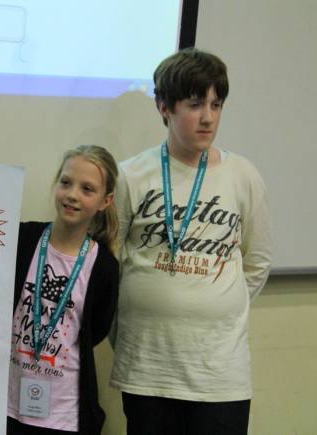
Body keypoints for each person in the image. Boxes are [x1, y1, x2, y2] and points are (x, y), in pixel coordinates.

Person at [110, 48, 272, 435]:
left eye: (216, 105)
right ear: (164, 107)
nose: (208, 117)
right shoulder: (131, 175)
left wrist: (216, 303)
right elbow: (110, 260)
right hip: (147, 369)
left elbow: (258, 261)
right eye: (195, 104)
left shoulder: (243, 175)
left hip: (219, 374)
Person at [7, 145, 120, 435]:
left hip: (63, 414)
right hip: (6, 405)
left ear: (105, 201)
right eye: (66, 182)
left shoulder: (104, 266)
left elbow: (95, 330)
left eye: (87, 189)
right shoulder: (22, 239)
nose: (72, 195)